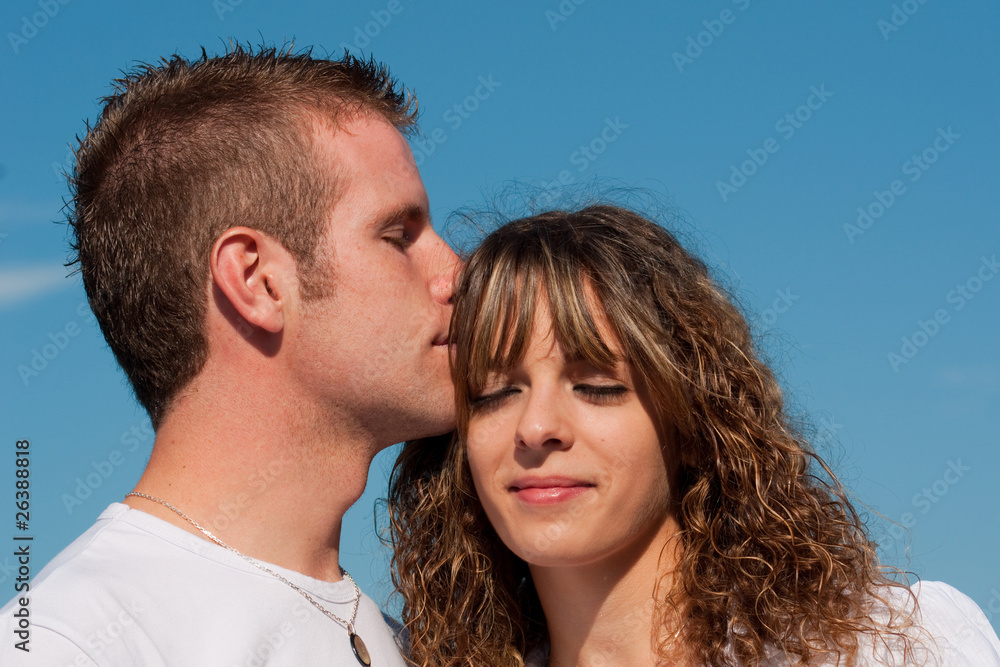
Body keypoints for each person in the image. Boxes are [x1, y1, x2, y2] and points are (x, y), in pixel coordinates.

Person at [0, 45, 460, 665]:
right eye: (398, 235)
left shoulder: (402, 640)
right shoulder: (68, 644)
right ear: (258, 282)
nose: (457, 272)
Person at [388, 204, 1000, 666]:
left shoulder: (892, 644)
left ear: (690, 421)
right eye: (494, 393)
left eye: (598, 385)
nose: (538, 428)